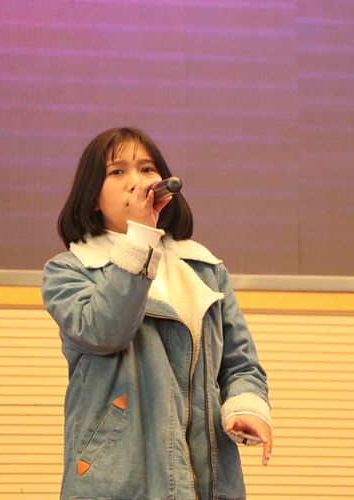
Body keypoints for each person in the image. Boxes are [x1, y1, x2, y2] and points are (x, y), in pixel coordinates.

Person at [41, 127, 272, 499]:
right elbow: (105, 332)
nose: (137, 181)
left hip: (208, 480)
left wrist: (245, 407)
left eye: (147, 169)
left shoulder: (204, 268)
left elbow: (240, 364)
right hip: (116, 480)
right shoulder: (70, 270)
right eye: (117, 171)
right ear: (93, 197)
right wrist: (139, 238)